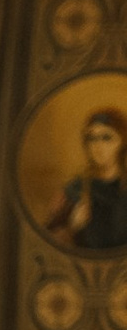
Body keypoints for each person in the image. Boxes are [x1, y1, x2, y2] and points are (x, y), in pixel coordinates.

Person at [42, 106, 127, 252]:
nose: (98, 146)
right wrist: (72, 227)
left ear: (122, 142)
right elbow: (44, 243)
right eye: (92, 138)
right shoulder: (74, 190)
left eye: (107, 137)